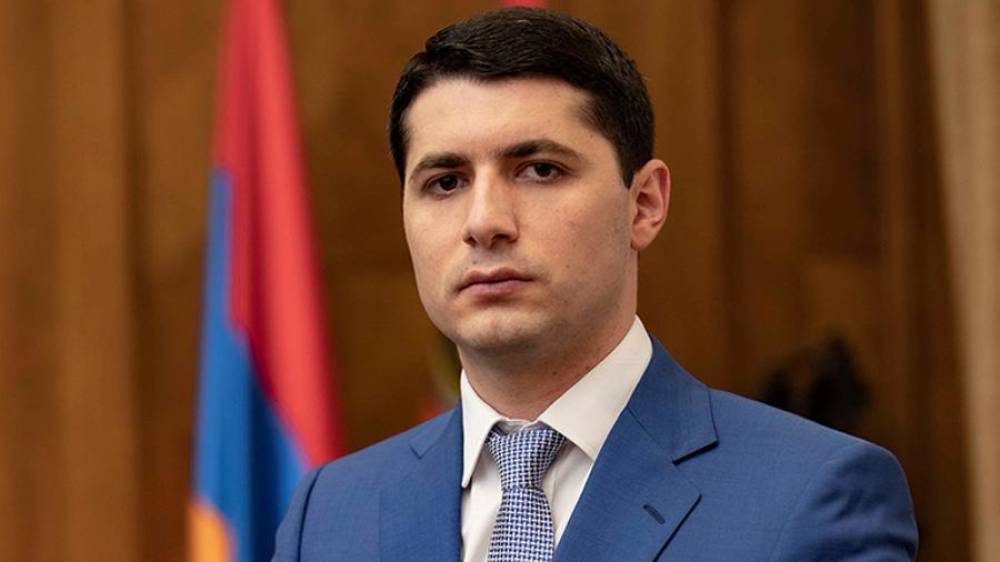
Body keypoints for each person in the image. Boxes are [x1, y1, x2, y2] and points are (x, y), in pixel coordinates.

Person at [273, 8, 917, 561]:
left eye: (539, 170)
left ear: (644, 204)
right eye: (445, 182)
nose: (484, 222)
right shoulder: (328, 513)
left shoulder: (812, 493)